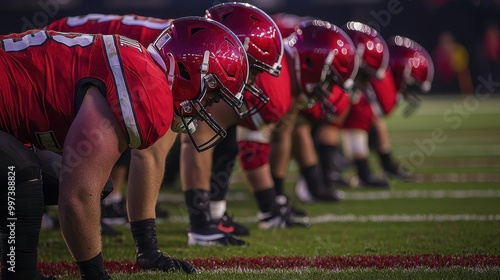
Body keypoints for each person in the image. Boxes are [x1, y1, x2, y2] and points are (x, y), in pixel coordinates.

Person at [1, 16, 250, 279]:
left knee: (91, 183)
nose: (209, 107)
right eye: (211, 95)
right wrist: (96, 274)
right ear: (189, 72)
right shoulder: (145, 86)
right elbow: (76, 198)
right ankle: (19, 274)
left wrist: (148, 249)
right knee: (21, 174)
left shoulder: (144, 69)